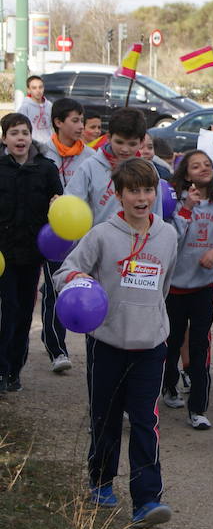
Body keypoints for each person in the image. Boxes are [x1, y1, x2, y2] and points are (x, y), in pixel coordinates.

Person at [53, 157, 177, 528]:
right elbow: (64, 273)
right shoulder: (102, 235)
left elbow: (163, 287)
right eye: (133, 191)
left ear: (156, 192)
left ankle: (146, 500)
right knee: (105, 419)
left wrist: (152, 319)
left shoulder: (168, 235)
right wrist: (79, 280)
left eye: (148, 189)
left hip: (150, 345)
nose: (142, 197)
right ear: (119, 195)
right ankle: (101, 480)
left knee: (144, 421)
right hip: (106, 343)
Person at [162, 150, 213, 430]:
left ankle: (198, 408)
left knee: (201, 346)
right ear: (185, 173)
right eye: (196, 166)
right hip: (175, 288)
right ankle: (169, 386)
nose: (203, 169)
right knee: (171, 344)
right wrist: (187, 209)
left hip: (204, 287)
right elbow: (171, 240)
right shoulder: (176, 201)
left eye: (207, 165)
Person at [0, 113, 63, 393]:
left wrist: (57, 204)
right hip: (3, 256)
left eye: (24, 132)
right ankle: (2, 370)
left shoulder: (46, 169)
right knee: (8, 310)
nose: (20, 138)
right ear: (4, 139)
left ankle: (14, 369)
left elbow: (59, 204)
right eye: (13, 133)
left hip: (32, 254)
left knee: (25, 313)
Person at [40, 98, 94, 373]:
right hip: (53, 234)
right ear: (58, 122)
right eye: (74, 120)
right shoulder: (43, 152)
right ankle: (56, 349)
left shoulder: (90, 157)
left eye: (82, 120)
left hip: (82, 236)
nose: (80, 126)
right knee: (53, 289)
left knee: (84, 288)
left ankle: (95, 346)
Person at [65, 107, 163, 224]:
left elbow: (156, 212)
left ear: (141, 142)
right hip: (99, 239)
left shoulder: (148, 169)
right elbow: (72, 205)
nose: (125, 149)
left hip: (137, 240)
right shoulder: (89, 167)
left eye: (132, 144)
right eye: (119, 142)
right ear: (109, 137)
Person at [17, 75, 53, 145]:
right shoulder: (25, 107)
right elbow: (21, 128)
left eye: (40, 87)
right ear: (28, 90)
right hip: (32, 145)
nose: (38, 90)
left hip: (49, 144)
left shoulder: (49, 105)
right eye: (34, 88)